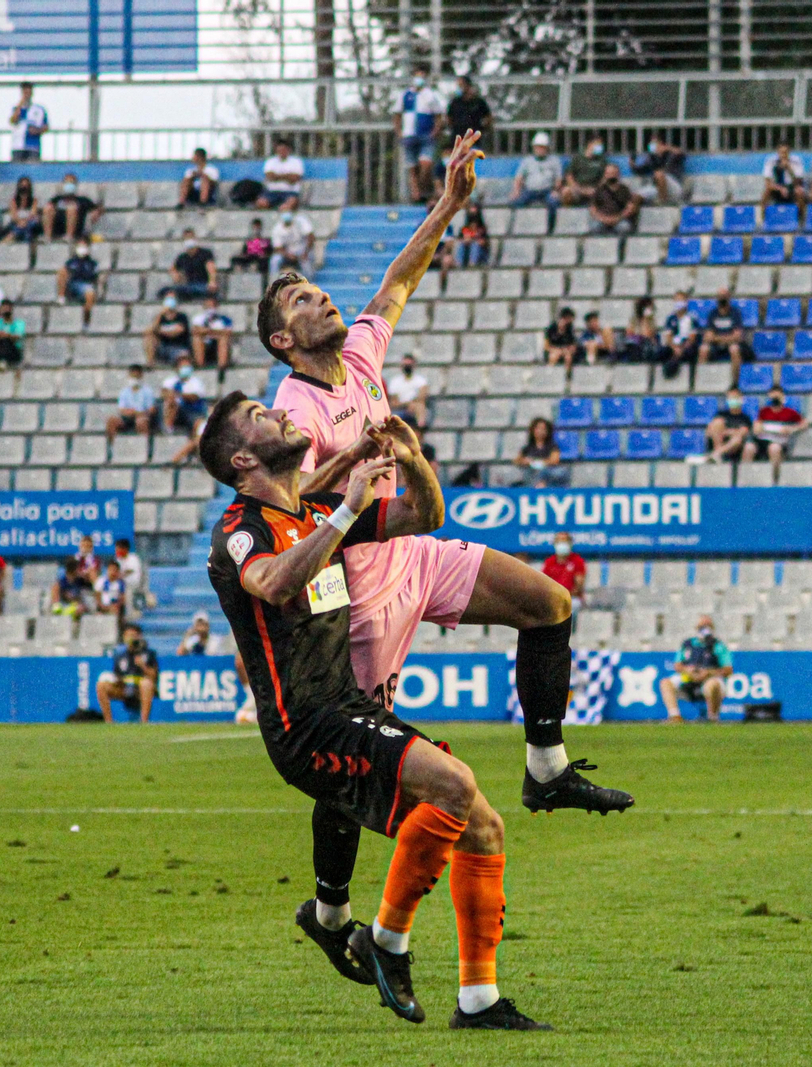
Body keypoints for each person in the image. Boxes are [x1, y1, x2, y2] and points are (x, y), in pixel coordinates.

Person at [263, 133, 631, 834]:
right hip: (363, 594)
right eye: (306, 301)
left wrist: (446, 204)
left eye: (320, 290)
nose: (325, 300)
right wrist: (350, 470)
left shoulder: (360, 355)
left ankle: (547, 768)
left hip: (417, 555)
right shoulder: (294, 407)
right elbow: (289, 499)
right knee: (351, 763)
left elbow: (398, 281)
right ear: (284, 340)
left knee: (548, 603)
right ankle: (335, 911)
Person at [200, 387, 553, 1031]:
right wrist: (342, 515)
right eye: (260, 417)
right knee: (454, 785)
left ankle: (478, 1001)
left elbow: (426, 515)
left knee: (484, 826)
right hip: (306, 726)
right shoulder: (240, 530)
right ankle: (385, 940)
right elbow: (275, 584)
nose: (278, 414)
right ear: (243, 461)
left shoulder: (315, 511)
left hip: (346, 706)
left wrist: (411, 458)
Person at [393, 66, 445, 203]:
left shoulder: (430, 95)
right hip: (409, 134)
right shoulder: (405, 95)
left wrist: (436, 130)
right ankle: (416, 195)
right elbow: (397, 114)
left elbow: (438, 114)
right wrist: (399, 132)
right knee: (412, 167)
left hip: (426, 134)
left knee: (426, 164)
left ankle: (422, 189)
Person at [666, 616, 732, 722]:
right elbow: (677, 665)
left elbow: (728, 669)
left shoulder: (718, 645)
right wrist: (688, 670)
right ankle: (675, 716)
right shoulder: (688, 644)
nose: (704, 629)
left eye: (707, 626)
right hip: (689, 677)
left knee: (712, 685)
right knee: (666, 683)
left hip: (710, 678)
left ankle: (712, 717)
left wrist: (709, 672)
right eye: (702, 626)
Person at [97, 624, 159, 722]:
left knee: (146, 684)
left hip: (140, 689)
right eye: (128, 635)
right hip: (125, 688)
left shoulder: (148, 653)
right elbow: (117, 675)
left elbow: (153, 676)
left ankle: (144, 721)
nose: (130, 638)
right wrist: (117, 681)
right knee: (101, 686)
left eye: (133, 635)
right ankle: (109, 721)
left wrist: (143, 666)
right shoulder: (120, 656)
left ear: (139, 637)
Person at [746, 386, 806, 478]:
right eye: (773, 396)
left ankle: (773, 478)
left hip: (779, 442)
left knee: (774, 448)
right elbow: (756, 425)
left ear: (782, 397)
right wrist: (757, 427)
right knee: (748, 447)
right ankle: (746, 476)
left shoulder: (790, 412)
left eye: (777, 396)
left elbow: (804, 424)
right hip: (762, 441)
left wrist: (791, 429)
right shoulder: (764, 411)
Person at [697, 288, 750, 387]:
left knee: (734, 348)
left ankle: (735, 383)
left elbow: (738, 336)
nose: (722, 298)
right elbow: (708, 337)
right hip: (717, 346)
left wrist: (717, 338)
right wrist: (727, 338)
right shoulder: (713, 314)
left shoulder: (735, 313)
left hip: (731, 345)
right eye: (720, 296)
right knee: (703, 349)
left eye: (724, 295)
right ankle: (702, 382)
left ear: (729, 297)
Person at [107, 365, 158, 443]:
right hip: (127, 418)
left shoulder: (148, 391)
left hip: (143, 418)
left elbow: (152, 410)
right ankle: (112, 448)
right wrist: (131, 413)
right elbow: (122, 410)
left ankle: (145, 448)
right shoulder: (124, 392)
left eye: (137, 376)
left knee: (141, 422)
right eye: (133, 376)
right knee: (112, 421)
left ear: (141, 376)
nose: (135, 379)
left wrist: (138, 413)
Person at [43, 174, 102, 242]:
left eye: (71, 183)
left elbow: (97, 209)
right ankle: (47, 237)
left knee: (71, 207)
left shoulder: (82, 200)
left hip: (76, 230)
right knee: (48, 208)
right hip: (58, 227)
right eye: (67, 183)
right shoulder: (57, 199)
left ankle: (69, 237)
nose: (69, 185)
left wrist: (95, 213)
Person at [632, 133, 686, 205]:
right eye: (651, 144)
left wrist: (667, 148)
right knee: (637, 196)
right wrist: (632, 163)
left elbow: (682, 154)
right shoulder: (651, 158)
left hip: (674, 187)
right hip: (657, 188)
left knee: (659, 174)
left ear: (661, 143)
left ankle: (663, 204)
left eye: (654, 143)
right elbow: (639, 170)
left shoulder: (671, 155)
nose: (653, 146)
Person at [511, 132, 562, 208]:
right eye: (538, 147)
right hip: (530, 191)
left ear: (547, 148)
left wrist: (555, 191)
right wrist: (516, 190)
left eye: (542, 147)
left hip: (547, 191)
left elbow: (558, 179)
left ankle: (551, 220)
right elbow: (519, 178)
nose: (540, 149)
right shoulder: (527, 161)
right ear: (534, 147)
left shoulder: (554, 161)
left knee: (553, 202)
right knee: (516, 202)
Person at [161, 354, 210, 435]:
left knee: (198, 423)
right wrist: (171, 395)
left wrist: (177, 394)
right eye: (183, 366)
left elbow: (194, 397)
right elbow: (164, 392)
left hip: (191, 410)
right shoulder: (170, 381)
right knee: (171, 402)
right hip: (176, 411)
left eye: (187, 366)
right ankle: (168, 429)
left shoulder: (196, 382)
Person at [56, 241, 101, 326]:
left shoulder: (92, 263)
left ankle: (85, 321)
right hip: (72, 284)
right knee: (62, 272)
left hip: (85, 284)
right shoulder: (71, 261)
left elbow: (95, 277)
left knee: (90, 294)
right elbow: (65, 273)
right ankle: (61, 296)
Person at [514, 416, 566, 488]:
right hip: (531, 472)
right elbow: (517, 460)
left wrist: (537, 462)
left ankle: (541, 485)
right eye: (538, 428)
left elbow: (554, 460)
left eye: (543, 429)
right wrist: (525, 461)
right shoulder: (527, 448)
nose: (540, 431)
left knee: (558, 472)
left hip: (547, 472)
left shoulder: (552, 446)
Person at [166, 229, 218, 300]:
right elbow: (173, 268)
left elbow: (211, 267)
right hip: (189, 285)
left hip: (203, 284)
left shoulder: (205, 253)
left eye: (190, 237)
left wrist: (212, 281)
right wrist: (175, 275)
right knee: (167, 291)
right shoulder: (182, 257)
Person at [590, 163, 641, 234]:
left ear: (618, 174)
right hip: (602, 220)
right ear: (605, 175)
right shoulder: (599, 190)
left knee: (624, 227)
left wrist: (616, 219)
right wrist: (603, 219)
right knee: (594, 227)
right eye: (609, 173)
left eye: (613, 173)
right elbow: (593, 209)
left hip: (619, 220)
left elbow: (630, 208)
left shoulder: (625, 190)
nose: (611, 176)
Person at [704, 388, 752, 465]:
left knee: (737, 439)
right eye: (730, 398)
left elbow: (743, 432)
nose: (733, 400)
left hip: (735, 447)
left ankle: (717, 454)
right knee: (718, 422)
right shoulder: (720, 414)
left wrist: (725, 432)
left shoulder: (745, 418)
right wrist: (731, 432)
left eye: (735, 397)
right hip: (719, 441)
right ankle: (718, 455)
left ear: (741, 399)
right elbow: (710, 430)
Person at [559, 135, 607, 206]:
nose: (600, 147)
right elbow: (569, 176)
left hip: (594, 190)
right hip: (578, 189)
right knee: (566, 192)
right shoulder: (577, 158)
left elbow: (605, 177)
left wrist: (597, 189)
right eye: (598, 144)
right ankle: (568, 215)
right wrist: (579, 189)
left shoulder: (602, 160)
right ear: (590, 144)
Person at [540, 533, 586, 608]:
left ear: (570, 544)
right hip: (553, 598)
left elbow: (578, 587)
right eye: (559, 541)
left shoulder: (577, 561)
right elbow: (543, 585)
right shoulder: (549, 562)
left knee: (572, 606)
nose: (562, 544)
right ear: (555, 544)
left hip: (572, 598)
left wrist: (564, 596)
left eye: (564, 541)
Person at [269, 206, 316, 277]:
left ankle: (309, 282)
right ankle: (273, 282)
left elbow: (310, 236)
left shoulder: (300, 221)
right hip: (287, 252)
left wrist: (305, 252)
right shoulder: (277, 229)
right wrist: (288, 255)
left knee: (306, 263)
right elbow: (278, 247)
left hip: (303, 249)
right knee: (275, 260)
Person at [385, 355, 430, 429]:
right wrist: (407, 404)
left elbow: (422, 398)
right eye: (405, 365)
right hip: (400, 409)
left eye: (409, 365)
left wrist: (412, 405)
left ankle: (420, 428)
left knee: (420, 407)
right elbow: (393, 402)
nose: (407, 367)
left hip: (415, 408)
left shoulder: (421, 381)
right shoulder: (395, 382)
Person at [445, 75, 493, 143]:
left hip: (474, 138)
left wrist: (482, 128)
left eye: (461, 85)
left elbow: (488, 117)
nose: (459, 87)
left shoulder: (478, 102)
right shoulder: (455, 102)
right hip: (458, 137)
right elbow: (449, 117)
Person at [661, 291, 699, 375]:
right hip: (674, 346)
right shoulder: (670, 318)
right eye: (677, 300)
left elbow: (692, 338)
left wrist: (682, 348)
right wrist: (674, 348)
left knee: (690, 351)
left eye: (681, 300)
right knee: (661, 351)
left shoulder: (692, 318)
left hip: (686, 346)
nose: (679, 302)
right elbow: (668, 337)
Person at [146, 295, 192, 364]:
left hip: (179, 347)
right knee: (150, 337)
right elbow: (151, 330)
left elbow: (178, 331)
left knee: (183, 357)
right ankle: (150, 362)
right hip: (163, 347)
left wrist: (160, 331)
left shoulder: (182, 316)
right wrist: (161, 314)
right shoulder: (159, 318)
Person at [9, 83, 49, 162]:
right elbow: (12, 120)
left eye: (28, 92)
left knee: (32, 168)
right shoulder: (16, 109)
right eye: (25, 93)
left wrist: (37, 130)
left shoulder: (39, 109)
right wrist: (20, 104)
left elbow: (46, 126)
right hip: (18, 146)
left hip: (33, 146)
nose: (27, 95)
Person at [258, 140, 305, 208]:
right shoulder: (270, 161)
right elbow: (270, 177)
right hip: (271, 192)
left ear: (289, 150)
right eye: (279, 150)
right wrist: (288, 176)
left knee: (290, 204)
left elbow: (294, 178)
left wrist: (276, 176)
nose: (281, 152)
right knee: (261, 203)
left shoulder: (296, 161)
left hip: (290, 192)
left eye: (284, 150)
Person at [191, 295, 234, 368]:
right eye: (208, 305)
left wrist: (207, 331)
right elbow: (196, 331)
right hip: (204, 343)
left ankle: (221, 367)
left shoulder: (225, 319)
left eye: (212, 305)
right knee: (197, 339)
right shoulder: (198, 318)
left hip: (217, 344)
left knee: (224, 339)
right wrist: (216, 332)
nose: (210, 308)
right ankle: (200, 366)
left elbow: (227, 332)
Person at [618, 297, 664, 364]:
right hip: (634, 344)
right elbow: (629, 333)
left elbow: (647, 335)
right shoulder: (634, 319)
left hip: (646, 344)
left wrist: (645, 320)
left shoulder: (651, 320)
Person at [0, 300, 26, 367]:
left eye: (7, 308)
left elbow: (17, 336)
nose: (5, 310)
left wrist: (5, 335)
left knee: (6, 340)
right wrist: (1, 335)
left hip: (13, 350)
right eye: (3, 308)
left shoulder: (19, 323)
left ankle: (4, 361)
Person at [2, 176, 42, 243]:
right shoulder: (14, 201)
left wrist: (24, 222)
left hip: (29, 222)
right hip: (17, 223)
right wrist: (20, 222)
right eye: (22, 186)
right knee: (22, 229)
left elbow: (33, 214)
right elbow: (14, 215)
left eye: (26, 186)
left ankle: (10, 237)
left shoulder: (34, 200)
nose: (24, 188)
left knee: (29, 226)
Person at [456, 203, 490, 267]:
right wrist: (466, 240)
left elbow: (485, 242)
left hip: (480, 253)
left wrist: (476, 239)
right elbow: (460, 239)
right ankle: (459, 263)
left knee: (475, 245)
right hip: (467, 252)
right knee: (461, 245)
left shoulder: (482, 229)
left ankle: (472, 263)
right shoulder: (465, 228)